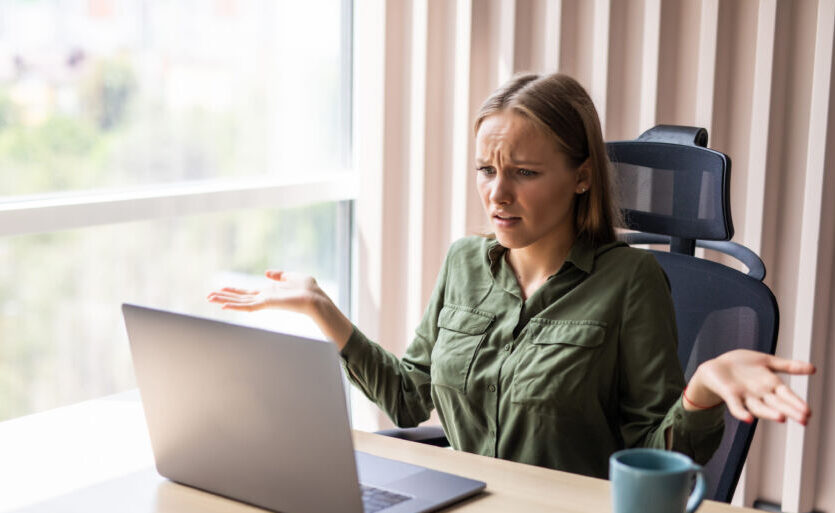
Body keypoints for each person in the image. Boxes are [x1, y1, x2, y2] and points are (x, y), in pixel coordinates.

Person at [208, 73, 814, 479]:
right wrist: (325, 313)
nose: (497, 194)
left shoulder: (630, 282)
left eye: (523, 172)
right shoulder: (463, 262)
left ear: (581, 176)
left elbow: (651, 459)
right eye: (485, 169)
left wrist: (702, 388)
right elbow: (410, 396)